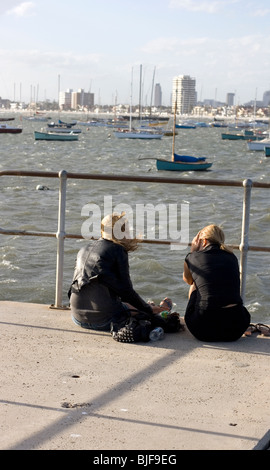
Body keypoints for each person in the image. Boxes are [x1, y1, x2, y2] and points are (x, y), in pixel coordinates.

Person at [69, 212, 163, 331]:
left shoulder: (84, 249)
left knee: (128, 305)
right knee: (141, 311)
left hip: (77, 317)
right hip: (102, 321)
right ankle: (156, 308)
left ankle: (148, 306)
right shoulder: (118, 250)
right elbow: (126, 291)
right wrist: (148, 309)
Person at [183, 224, 250, 342]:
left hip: (202, 329)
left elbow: (188, 280)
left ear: (203, 241)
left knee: (195, 282)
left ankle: (200, 313)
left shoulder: (193, 257)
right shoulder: (232, 257)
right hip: (236, 328)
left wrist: (193, 251)